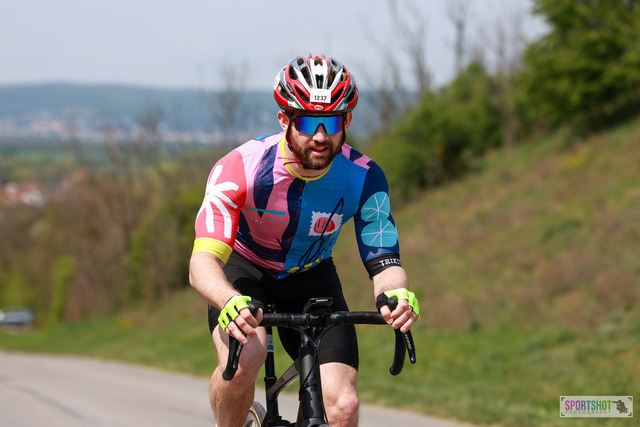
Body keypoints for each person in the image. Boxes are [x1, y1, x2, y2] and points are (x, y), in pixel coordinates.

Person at [189, 54, 420, 427]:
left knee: (343, 407)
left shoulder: (365, 177)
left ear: (346, 121)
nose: (321, 136)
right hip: (245, 272)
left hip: (312, 275)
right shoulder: (241, 168)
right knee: (245, 362)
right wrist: (228, 299)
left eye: (332, 122)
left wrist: (397, 295)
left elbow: (385, 263)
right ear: (285, 120)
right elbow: (202, 263)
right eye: (309, 122)